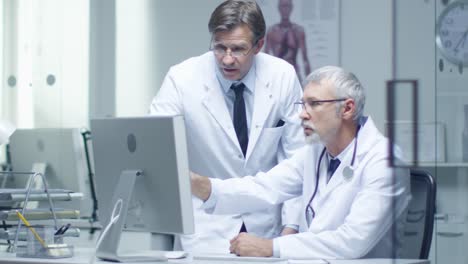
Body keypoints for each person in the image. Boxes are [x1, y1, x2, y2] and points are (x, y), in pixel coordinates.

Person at [191, 66, 411, 259]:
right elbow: (264, 187)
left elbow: (352, 241)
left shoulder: (384, 161)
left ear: (347, 108)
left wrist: (270, 246)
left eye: (313, 104)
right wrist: (201, 186)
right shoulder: (315, 152)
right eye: (302, 104)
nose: (301, 115)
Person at [149, 0, 304, 254]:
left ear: (259, 45)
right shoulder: (182, 78)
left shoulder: (282, 76)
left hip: (265, 221)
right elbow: (154, 144)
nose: (227, 59)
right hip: (206, 224)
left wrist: (291, 227)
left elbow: (297, 158)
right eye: (219, 47)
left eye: (238, 49)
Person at [265, 0, 311, 81]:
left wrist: (310, 83)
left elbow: (305, 60)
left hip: (294, 74)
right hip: (277, 75)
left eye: (287, 6)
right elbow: (265, 58)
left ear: (291, 8)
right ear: (279, 8)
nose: (285, 9)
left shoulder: (298, 31)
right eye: (283, 6)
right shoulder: (272, 31)